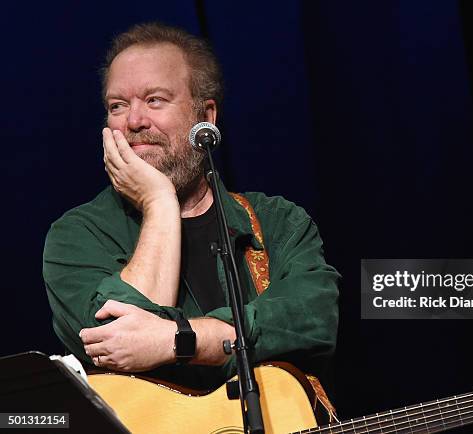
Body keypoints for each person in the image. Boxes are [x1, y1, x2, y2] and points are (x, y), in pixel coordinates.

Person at [42, 22, 339, 389]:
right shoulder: (76, 235)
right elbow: (119, 341)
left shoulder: (277, 221)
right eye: (118, 106)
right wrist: (159, 201)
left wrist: (182, 339)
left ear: (206, 116)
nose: (133, 121)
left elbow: (314, 320)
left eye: (155, 100)